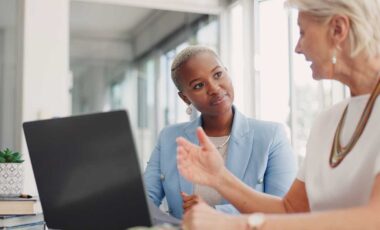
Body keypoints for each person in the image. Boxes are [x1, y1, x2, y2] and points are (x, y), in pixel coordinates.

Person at [176, 0, 380, 229]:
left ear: (337, 29)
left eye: (302, 32)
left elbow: (374, 219)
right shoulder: (328, 121)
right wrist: (219, 177)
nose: (298, 48)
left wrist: (236, 225)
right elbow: (291, 210)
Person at [144, 45, 297, 219]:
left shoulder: (271, 136)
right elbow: (143, 203)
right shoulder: (169, 138)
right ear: (185, 98)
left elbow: (286, 211)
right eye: (199, 85)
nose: (214, 88)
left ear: (227, 72)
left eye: (217, 75)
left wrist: (215, 213)